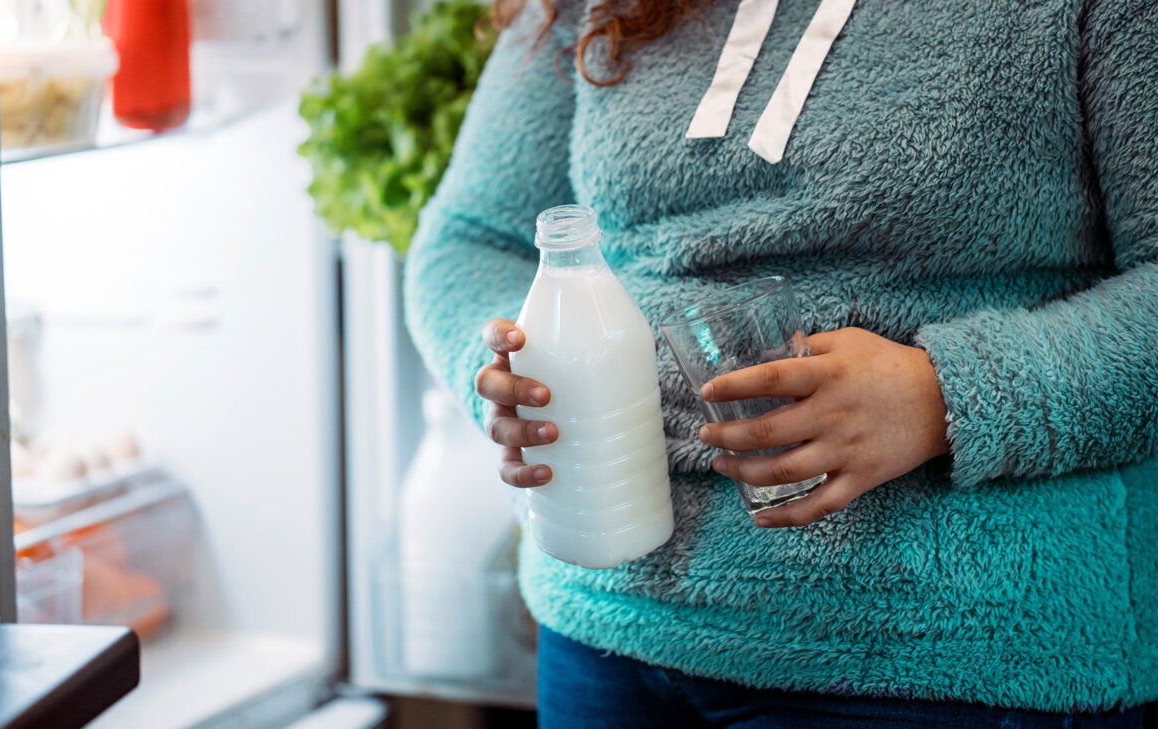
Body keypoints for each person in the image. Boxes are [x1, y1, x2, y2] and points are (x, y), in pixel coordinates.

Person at [402, 0, 1158, 726]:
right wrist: (513, 370)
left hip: (954, 641)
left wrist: (944, 396)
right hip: (607, 621)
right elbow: (469, 239)